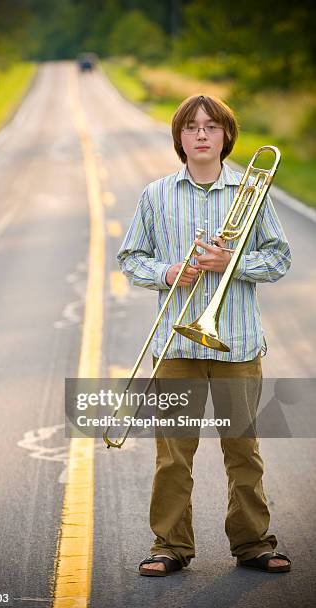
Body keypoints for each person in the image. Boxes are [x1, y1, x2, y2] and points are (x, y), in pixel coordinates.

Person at [117, 94, 292, 576]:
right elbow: (131, 257)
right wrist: (168, 271)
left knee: (242, 450)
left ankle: (254, 542)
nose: (200, 134)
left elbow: (279, 258)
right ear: (179, 137)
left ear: (225, 137)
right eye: (191, 127)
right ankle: (170, 545)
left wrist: (232, 265)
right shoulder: (156, 194)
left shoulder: (251, 192)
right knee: (172, 454)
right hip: (175, 346)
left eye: (211, 127)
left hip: (236, 343)